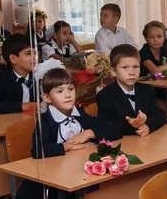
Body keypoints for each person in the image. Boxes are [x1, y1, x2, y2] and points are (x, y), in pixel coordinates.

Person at [16, 59, 120, 199]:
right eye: (60, 91)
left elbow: (113, 129)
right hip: (48, 184)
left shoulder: (79, 114)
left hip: (75, 174)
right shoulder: (45, 121)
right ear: (47, 98)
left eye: (70, 89)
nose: (67, 95)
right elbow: (38, 150)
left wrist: (89, 133)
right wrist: (67, 146)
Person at [97, 44, 166, 136]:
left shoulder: (147, 89)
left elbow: (159, 114)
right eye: (125, 67)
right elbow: (107, 126)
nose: (132, 73)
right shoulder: (105, 95)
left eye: (136, 67)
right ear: (113, 71)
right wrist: (133, 125)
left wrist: (148, 125)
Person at [0, 34, 37, 114]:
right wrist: (22, 106)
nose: (34, 57)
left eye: (35, 53)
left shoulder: (38, 77)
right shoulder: (2, 79)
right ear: (13, 59)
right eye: (28, 53)